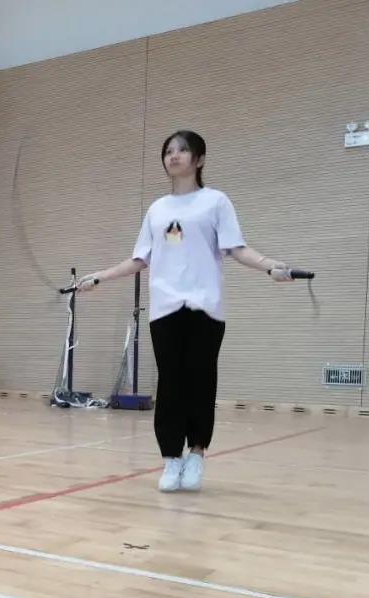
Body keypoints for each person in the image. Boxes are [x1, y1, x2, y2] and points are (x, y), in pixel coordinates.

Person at [80, 130, 298, 492]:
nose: (174, 156)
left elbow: (237, 248)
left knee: (200, 381)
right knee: (170, 384)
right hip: (165, 308)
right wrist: (99, 276)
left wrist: (270, 266)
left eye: (182, 150)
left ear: (200, 160)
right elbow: (140, 259)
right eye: (169, 151)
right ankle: (171, 459)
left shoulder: (215, 202)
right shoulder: (157, 209)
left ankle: (197, 453)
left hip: (205, 307)